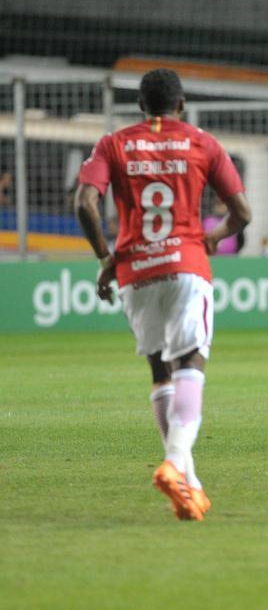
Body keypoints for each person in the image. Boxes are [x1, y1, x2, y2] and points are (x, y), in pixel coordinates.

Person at [74, 68, 251, 521]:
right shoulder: (202, 142)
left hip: (136, 272)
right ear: (182, 103)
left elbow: (84, 201)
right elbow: (242, 213)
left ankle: (189, 484)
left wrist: (104, 259)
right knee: (191, 363)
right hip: (186, 266)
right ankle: (174, 464)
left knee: (160, 372)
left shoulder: (113, 143)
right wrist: (213, 237)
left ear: (140, 107)